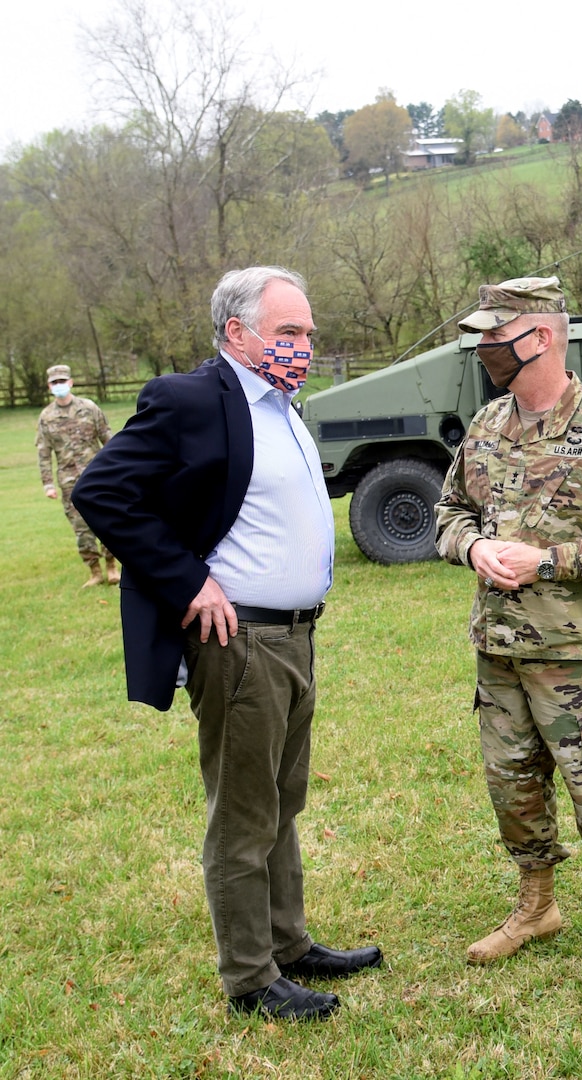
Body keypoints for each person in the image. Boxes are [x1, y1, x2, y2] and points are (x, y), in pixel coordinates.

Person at [72, 267, 380, 1022]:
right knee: (244, 812)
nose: (305, 346)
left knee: (283, 798)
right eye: (289, 333)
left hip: (296, 637)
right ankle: (250, 977)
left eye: (308, 332)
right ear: (237, 333)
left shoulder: (282, 405)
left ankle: (289, 941)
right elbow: (101, 489)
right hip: (240, 640)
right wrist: (186, 581)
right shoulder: (189, 400)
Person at [436, 276, 582, 977]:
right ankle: (536, 905)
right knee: (513, 788)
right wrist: (474, 548)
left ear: (538, 337)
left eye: (493, 335)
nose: (482, 348)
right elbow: (449, 512)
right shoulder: (485, 425)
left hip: (580, 658)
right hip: (499, 648)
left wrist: (545, 562)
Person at [36, 364, 117, 587]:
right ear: (49, 386)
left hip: (98, 477)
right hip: (69, 482)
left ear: (71, 382)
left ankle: (111, 567)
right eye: (55, 383)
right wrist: (48, 484)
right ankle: (95, 571)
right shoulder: (46, 417)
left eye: (62, 381)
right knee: (81, 528)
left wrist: (119, 471)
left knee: (107, 521)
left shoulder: (89, 408)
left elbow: (109, 440)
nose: (59, 386)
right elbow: (43, 453)